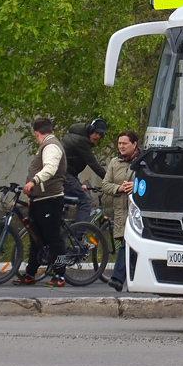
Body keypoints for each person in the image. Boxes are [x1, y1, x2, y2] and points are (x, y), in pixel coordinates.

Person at [16, 117, 67, 286]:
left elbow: (50, 169)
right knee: (36, 240)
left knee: (53, 239)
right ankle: (30, 274)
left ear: (37, 134)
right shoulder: (46, 145)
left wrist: (34, 181)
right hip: (39, 200)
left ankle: (60, 275)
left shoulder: (51, 146)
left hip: (50, 199)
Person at [99, 130, 140, 292]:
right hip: (120, 211)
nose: (121, 146)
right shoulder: (115, 163)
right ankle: (131, 278)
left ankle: (117, 278)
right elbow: (105, 184)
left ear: (134, 144)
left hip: (137, 211)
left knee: (129, 243)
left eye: (125, 143)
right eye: (119, 143)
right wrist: (119, 188)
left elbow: (150, 183)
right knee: (128, 243)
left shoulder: (143, 162)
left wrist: (135, 187)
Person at [62, 118, 107, 223]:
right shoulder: (81, 141)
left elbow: (70, 164)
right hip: (65, 176)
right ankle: (79, 236)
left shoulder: (75, 136)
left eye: (100, 135)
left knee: (64, 200)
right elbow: (93, 164)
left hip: (63, 175)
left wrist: (78, 183)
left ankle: (61, 233)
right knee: (85, 201)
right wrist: (109, 179)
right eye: (96, 133)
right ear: (90, 129)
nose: (97, 136)